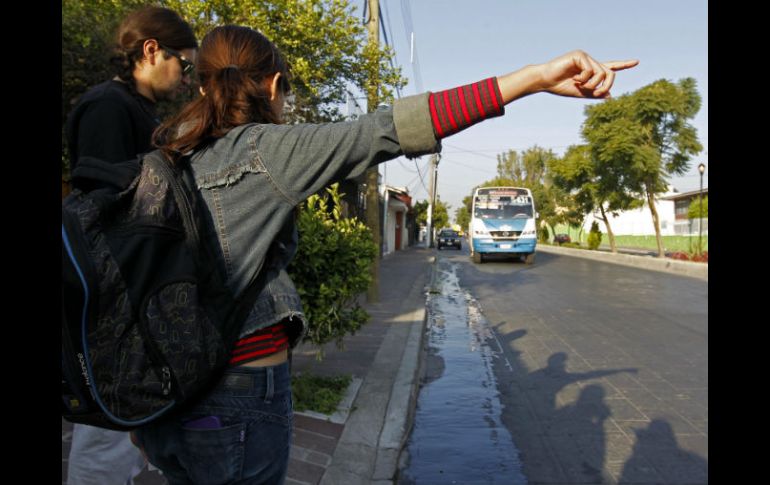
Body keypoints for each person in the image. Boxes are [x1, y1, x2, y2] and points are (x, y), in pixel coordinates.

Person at [131, 24, 638, 484]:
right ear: (271, 86)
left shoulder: (164, 152)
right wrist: (531, 79)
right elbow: (389, 128)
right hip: (236, 394)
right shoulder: (265, 151)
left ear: (201, 87)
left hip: (166, 393)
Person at [64, 6, 198, 485]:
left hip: (139, 290)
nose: (187, 78)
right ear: (150, 51)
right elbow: (99, 212)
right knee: (108, 433)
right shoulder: (107, 107)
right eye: (185, 64)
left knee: (130, 430)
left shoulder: (139, 110)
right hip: (116, 298)